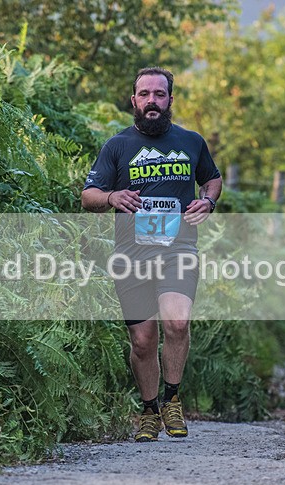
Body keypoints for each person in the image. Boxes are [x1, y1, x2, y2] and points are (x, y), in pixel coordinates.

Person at [81, 66, 222, 442]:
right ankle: (148, 410)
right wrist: (112, 196)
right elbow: (88, 195)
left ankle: (172, 399)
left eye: (159, 94)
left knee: (177, 324)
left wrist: (207, 200)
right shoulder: (117, 146)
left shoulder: (191, 142)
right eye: (145, 95)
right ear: (134, 101)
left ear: (170, 100)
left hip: (179, 249)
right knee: (143, 342)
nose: (152, 101)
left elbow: (213, 177)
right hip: (131, 256)